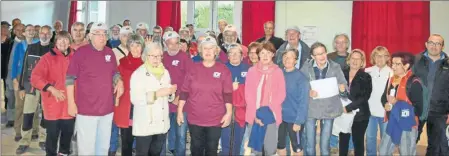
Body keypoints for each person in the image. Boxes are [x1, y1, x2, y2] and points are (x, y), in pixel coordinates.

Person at [66, 22, 124, 155]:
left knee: (103, 148)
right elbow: (69, 79)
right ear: (90, 36)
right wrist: (71, 103)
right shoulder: (81, 53)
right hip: (86, 110)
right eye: (98, 34)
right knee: (86, 149)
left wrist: (119, 80)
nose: (102, 37)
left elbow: (114, 73)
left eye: (104, 34)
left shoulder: (110, 52)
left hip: (107, 109)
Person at [176, 36, 233, 156]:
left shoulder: (223, 70)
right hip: (195, 118)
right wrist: (180, 111)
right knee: (196, 149)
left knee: (211, 150)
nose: (207, 51)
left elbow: (228, 94)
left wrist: (229, 113)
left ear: (216, 51)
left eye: (211, 48)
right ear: (200, 51)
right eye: (205, 48)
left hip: (215, 118)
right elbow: (184, 91)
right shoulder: (193, 68)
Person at [30, 31, 76, 156]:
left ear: (69, 42)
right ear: (55, 42)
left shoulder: (76, 57)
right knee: (52, 137)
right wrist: (51, 88)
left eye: (66, 39)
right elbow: (35, 78)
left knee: (67, 136)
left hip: (69, 105)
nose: (63, 42)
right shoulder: (47, 57)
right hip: (53, 105)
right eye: (60, 39)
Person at [300, 42, 347, 156]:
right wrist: (308, 92)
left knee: (325, 146)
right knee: (310, 145)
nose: (322, 56)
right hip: (311, 109)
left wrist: (342, 89)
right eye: (318, 54)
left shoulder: (335, 66)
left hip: (329, 109)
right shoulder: (306, 66)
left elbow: (345, 87)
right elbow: (300, 85)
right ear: (312, 56)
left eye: (323, 53)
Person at [130, 42, 175, 156]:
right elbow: (135, 99)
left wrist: (170, 93)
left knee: (156, 153)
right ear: (145, 56)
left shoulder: (165, 72)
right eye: (153, 56)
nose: (156, 59)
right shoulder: (138, 74)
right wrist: (156, 94)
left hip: (161, 123)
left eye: (159, 56)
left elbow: (167, 95)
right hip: (145, 124)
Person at [15, 25, 53, 154]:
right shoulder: (32, 47)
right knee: (28, 114)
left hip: (48, 88)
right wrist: (21, 87)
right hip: (32, 87)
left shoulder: (54, 49)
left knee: (46, 115)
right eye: (42, 33)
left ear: (51, 35)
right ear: (39, 34)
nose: (45, 36)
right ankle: (24, 141)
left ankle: (43, 139)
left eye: (47, 34)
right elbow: (25, 68)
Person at [245, 42, 286, 155]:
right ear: (258, 55)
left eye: (268, 53)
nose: (265, 56)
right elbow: (248, 94)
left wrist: (267, 113)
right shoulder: (251, 71)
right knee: (256, 149)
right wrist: (256, 115)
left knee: (270, 149)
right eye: (262, 53)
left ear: (273, 54)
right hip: (253, 115)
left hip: (272, 115)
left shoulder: (278, 72)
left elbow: (281, 94)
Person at [379, 52, 423, 156]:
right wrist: (385, 103)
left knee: (406, 152)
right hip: (392, 121)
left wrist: (397, 102)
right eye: (392, 63)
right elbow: (383, 97)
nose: (393, 66)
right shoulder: (391, 79)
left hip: (407, 124)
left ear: (406, 66)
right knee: (383, 151)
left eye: (397, 64)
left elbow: (418, 109)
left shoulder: (414, 82)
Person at [111, 34, 144, 156]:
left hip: (143, 107)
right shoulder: (122, 62)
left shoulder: (147, 63)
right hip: (127, 107)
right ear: (128, 47)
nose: (135, 48)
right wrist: (117, 79)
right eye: (132, 45)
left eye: (138, 45)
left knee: (142, 143)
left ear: (142, 47)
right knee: (126, 142)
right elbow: (115, 76)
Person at [412, 34, 447, 146]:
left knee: (435, 146)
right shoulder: (416, 60)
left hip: (439, 111)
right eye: (431, 43)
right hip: (417, 109)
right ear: (426, 44)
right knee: (410, 142)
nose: (434, 46)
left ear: (442, 46)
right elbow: (408, 83)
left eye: (438, 43)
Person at [162, 31, 192, 156]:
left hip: (182, 103)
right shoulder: (161, 57)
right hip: (163, 101)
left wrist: (179, 97)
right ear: (165, 44)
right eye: (170, 43)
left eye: (176, 43)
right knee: (162, 133)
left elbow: (190, 79)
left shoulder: (185, 57)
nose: (173, 46)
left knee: (181, 135)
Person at [339, 49, 372, 156]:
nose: (355, 61)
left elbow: (364, 97)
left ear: (362, 62)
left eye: (358, 59)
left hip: (360, 115)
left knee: (358, 143)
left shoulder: (366, 77)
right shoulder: (341, 73)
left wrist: (348, 108)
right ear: (349, 60)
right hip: (343, 115)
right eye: (353, 58)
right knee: (343, 142)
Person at [276, 48, 309, 156]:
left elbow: (304, 102)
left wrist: (298, 121)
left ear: (296, 60)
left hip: (294, 119)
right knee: (280, 145)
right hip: (280, 118)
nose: (287, 59)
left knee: (296, 147)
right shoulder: (279, 74)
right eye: (285, 57)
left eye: (290, 57)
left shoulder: (301, 78)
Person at [220, 44, 250, 155]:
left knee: (238, 139)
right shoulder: (222, 68)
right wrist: (230, 87)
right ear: (227, 56)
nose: (234, 55)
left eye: (237, 53)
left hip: (242, 110)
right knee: (226, 139)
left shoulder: (248, 69)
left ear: (242, 56)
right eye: (231, 53)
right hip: (225, 110)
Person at [11, 24, 39, 141]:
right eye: (28, 30)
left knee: (34, 105)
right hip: (20, 77)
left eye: (33, 30)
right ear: (24, 33)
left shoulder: (39, 44)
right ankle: (18, 131)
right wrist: (14, 79)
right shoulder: (19, 46)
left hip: (35, 77)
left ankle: (34, 130)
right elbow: (14, 63)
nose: (31, 32)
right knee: (20, 106)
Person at [365, 46, 392, 156]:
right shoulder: (367, 71)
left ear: (387, 58)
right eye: (377, 56)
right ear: (373, 57)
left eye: (383, 56)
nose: (380, 59)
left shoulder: (392, 73)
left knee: (385, 139)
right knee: (370, 138)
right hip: (369, 111)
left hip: (385, 112)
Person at [5, 23, 25, 128]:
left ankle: (21, 121)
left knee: (22, 100)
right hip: (9, 74)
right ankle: (10, 119)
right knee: (11, 97)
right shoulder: (9, 43)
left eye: (22, 30)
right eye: (18, 30)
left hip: (22, 76)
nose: (20, 32)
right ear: (14, 31)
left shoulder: (28, 43)